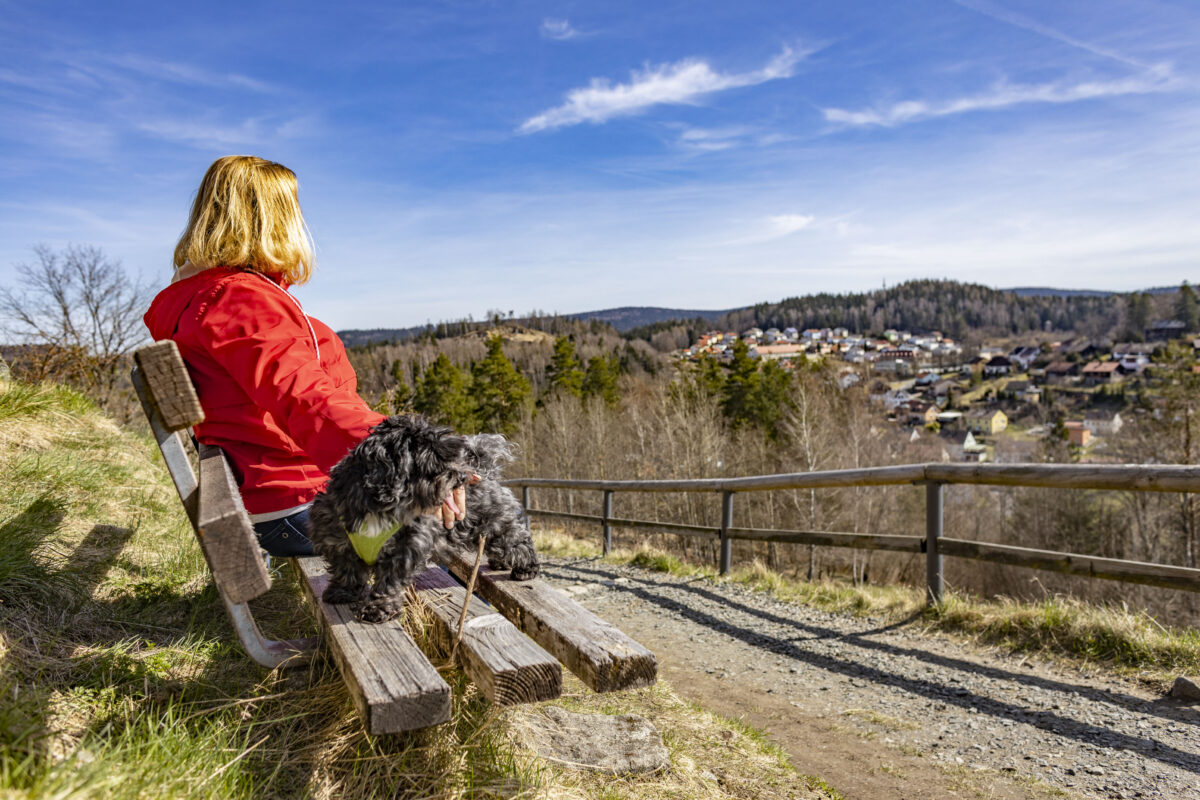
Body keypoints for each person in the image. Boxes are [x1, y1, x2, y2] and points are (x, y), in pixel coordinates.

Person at [144, 155, 465, 557]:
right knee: (473, 526)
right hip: (300, 504)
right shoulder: (239, 302)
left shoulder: (210, 300)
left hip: (281, 491)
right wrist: (413, 458)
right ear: (276, 217)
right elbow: (307, 400)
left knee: (464, 511)